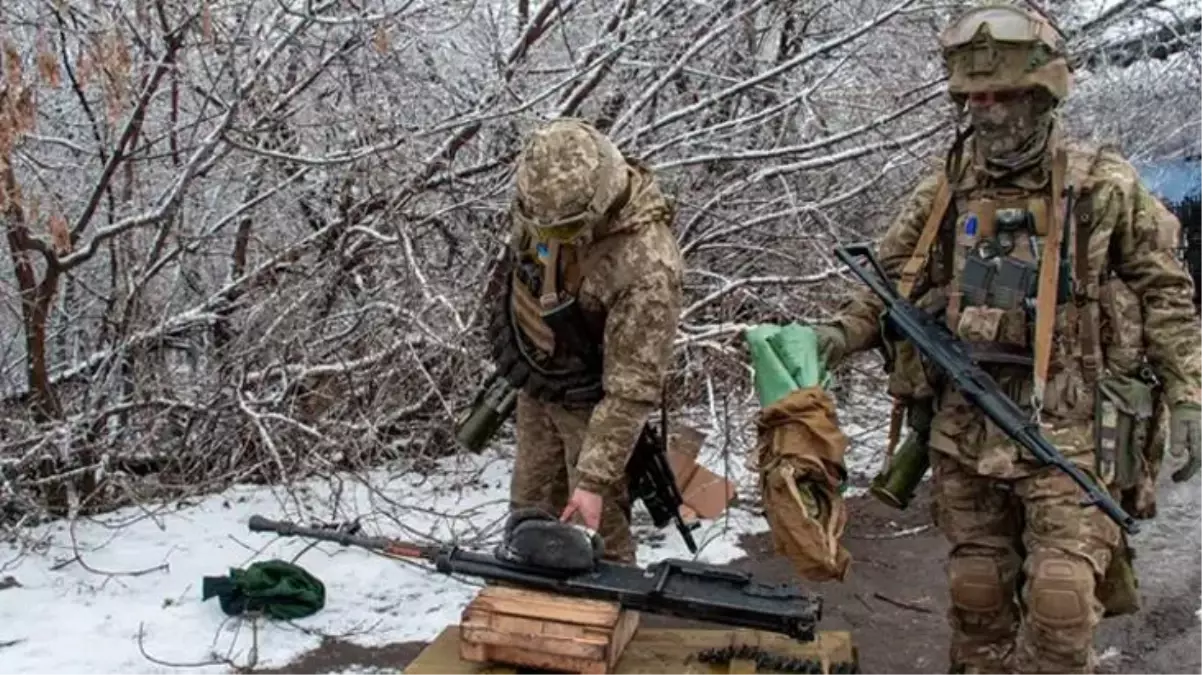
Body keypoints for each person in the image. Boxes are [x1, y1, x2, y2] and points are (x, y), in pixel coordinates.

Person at [810, 4, 1202, 673]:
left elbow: (1166, 292)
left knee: (1060, 603)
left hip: (1070, 430)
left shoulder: (1102, 185)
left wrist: (1190, 391)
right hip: (968, 428)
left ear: (1044, 93)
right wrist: (833, 338)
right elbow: (887, 285)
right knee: (977, 594)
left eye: (1005, 96)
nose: (988, 112)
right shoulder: (946, 189)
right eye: (974, 98)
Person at [485, 117, 684, 564]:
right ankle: (530, 610)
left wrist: (593, 480)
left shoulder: (647, 266)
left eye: (561, 231)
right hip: (539, 381)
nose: (548, 238)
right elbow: (523, 269)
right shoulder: (544, 194)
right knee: (529, 512)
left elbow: (631, 390)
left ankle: (604, 618)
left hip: (594, 408)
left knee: (595, 532)